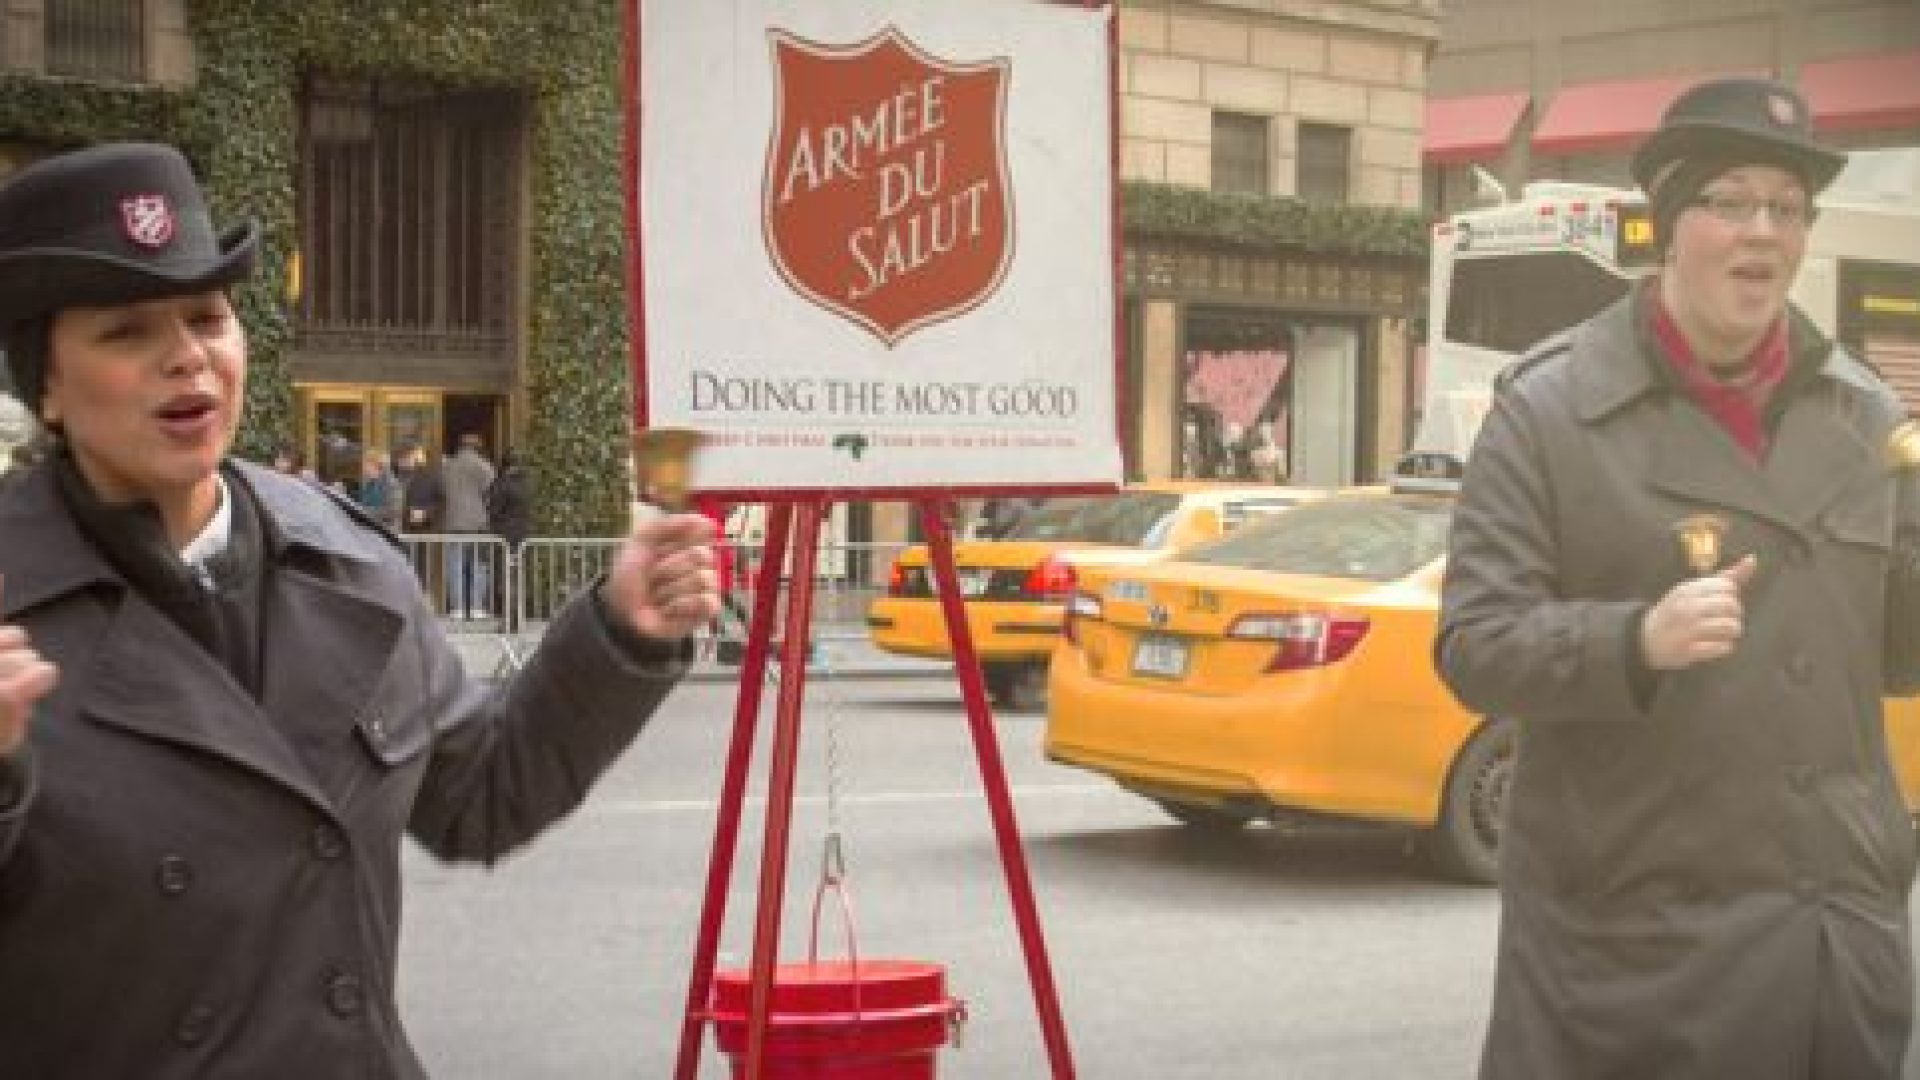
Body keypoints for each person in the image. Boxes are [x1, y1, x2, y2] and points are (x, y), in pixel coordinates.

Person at [0, 141, 720, 1077]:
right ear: (47, 386)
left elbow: (482, 797)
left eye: (208, 317)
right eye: (127, 332)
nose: (187, 356)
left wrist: (619, 630)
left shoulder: (347, 561)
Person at [1435, 77, 1920, 1078]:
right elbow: (1475, 644)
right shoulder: (1548, 410)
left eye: (1787, 208)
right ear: (1668, 223)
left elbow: (1895, 654)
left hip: (1830, 947)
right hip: (1637, 961)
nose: (1764, 232)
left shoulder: (1868, 416)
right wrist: (1632, 641)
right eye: (1730, 201)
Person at [440, 431, 497, 619]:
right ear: (478, 448)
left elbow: (442, 491)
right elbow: (493, 493)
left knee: (455, 564)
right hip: (478, 523)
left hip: (453, 521)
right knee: (478, 565)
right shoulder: (484, 466)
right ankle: (476, 606)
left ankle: (457, 607)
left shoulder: (448, 467)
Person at [353, 446, 402, 530]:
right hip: (369, 527)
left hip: (386, 530)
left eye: (366, 464)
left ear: (375, 464)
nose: (363, 467)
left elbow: (393, 510)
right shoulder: (370, 482)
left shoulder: (391, 483)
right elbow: (363, 501)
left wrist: (366, 512)